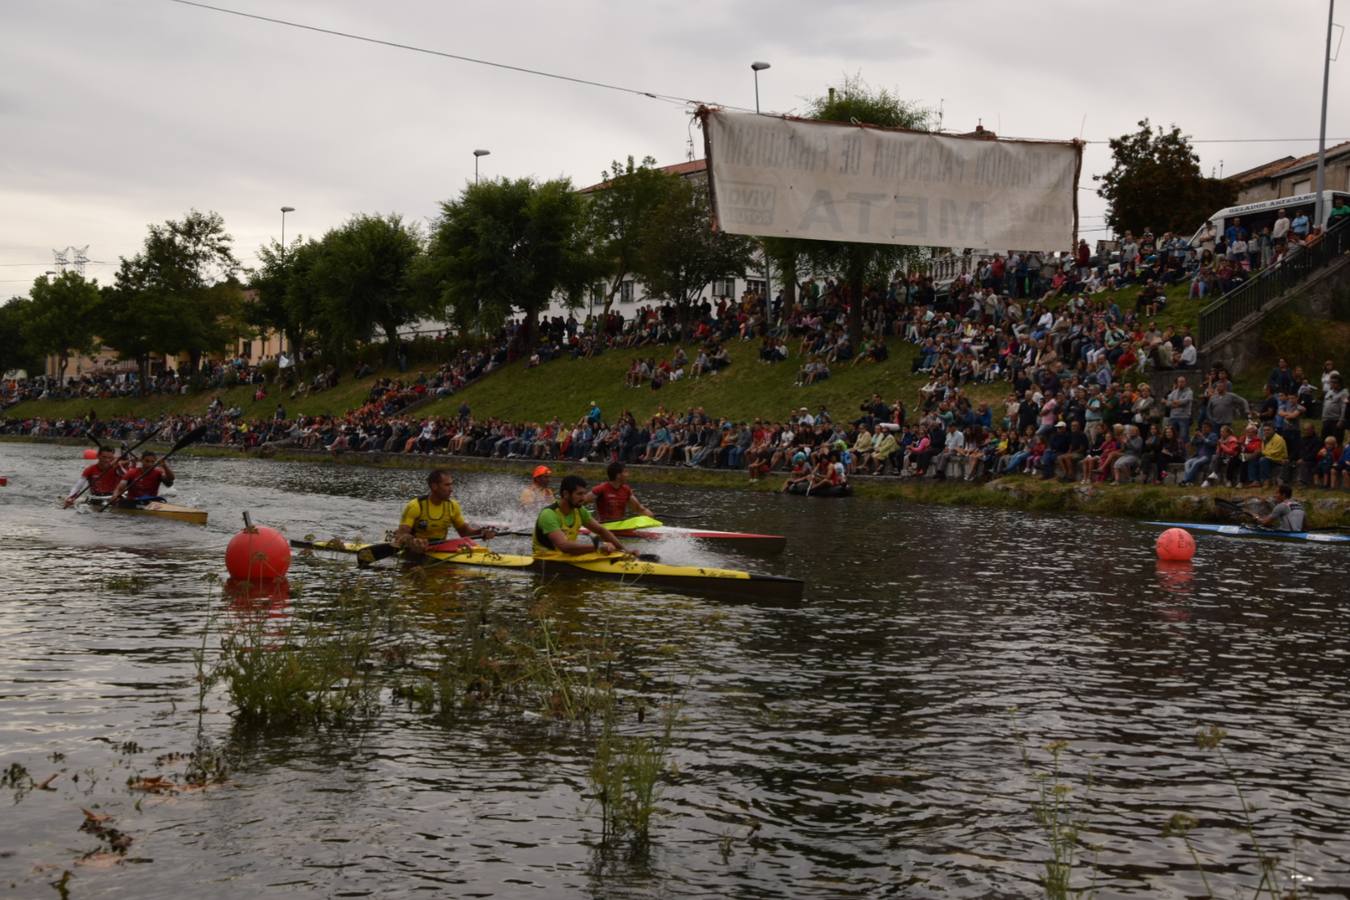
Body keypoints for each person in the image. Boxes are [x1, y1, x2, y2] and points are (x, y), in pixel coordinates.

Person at [394, 469, 497, 554]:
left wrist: (482, 532)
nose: (451, 489)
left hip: (440, 547)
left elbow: (465, 533)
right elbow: (401, 535)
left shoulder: (452, 506)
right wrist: (412, 541)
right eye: (447, 485)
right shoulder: (416, 506)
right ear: (434, 486)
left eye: (451, 485)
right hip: (417, 548)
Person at [534, 475, 627, 555]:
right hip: (546, 558)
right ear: (566, 494)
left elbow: (601, 530)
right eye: (579, 494)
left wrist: (624, 550)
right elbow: (564, 546)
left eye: (584, 494)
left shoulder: (580, 510)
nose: (583, 498)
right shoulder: (549, 514)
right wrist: (599, 546)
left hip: (567, 557)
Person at [586, 461, 654, 523]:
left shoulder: (626, 490)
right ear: (618, 475)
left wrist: (653, 520)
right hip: (605, 525)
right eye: (625, 472)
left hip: (620, 524)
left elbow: (639, 509)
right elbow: (581, 502)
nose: (628, 474)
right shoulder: (601, 489)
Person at [109, 450, 175, 504]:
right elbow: (119, 488)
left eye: (152, 462)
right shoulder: (132, 473)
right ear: (141, 460)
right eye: (147, 461)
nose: (149, 464)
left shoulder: (158, 472)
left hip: (151, 501)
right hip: (133, 501)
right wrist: (115, 496)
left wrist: (165, 466)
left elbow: (171, 478)